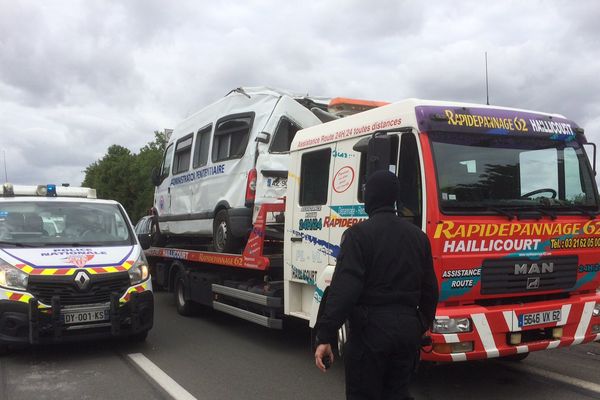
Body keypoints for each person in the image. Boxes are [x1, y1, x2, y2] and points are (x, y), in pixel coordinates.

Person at [313, 170, 439, 400]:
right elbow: (430, 290)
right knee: (398, 394)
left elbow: (344, 292)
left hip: (369, 332)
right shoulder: (418, 237)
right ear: (394, 198)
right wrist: (419, 323)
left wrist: (325, 336)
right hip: (407, 333)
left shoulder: (358, 236)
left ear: (369, 198)